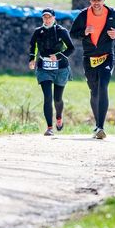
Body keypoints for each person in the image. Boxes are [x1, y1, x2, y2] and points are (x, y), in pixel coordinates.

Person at [70, 0, 115, 139]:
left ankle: (101, 127)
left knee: (103, 87)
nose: (96, 3)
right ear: (90, 1)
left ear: (104, 0)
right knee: (94, 92)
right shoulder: (83, 15)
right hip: (89, 58)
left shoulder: (114, 14)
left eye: (99, 0)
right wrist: (84, 32)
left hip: (107, 56)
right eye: (93, 0)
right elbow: (72, 33)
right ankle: (97, 125)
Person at [28, 8, 75, 136]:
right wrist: (32, 60)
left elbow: (71, 48)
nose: (47, 20)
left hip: (61, 68)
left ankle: (59, 117)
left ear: (54, 18)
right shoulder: (38, 32)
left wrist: (59, 56)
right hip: (44, 68)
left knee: (57, 98)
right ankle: (49, 127)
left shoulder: (61, 31)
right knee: (47, 97)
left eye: (49, 17)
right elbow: (33, 46)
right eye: (45, 17)